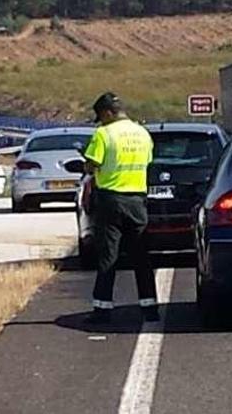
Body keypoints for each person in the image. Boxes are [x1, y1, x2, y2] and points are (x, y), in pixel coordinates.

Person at [82, 92, 157, 323]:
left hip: (111, 200)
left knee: (108, 256)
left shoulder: (103, 134)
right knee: (141, 257)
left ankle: (102, 309)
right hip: (137, 200)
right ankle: (150, 308)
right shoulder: (143, 134)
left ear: (107, 113)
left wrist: (87, 165)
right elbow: (147, 162)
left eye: (100, 116)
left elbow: (91, 165)